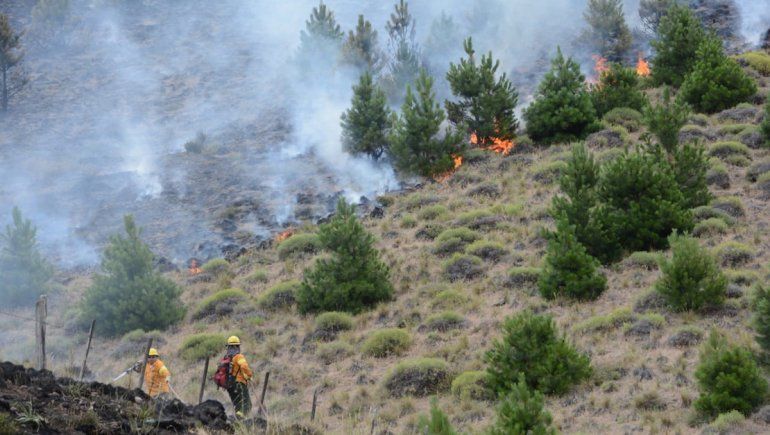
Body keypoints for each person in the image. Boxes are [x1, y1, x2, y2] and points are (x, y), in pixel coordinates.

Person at [225, 335, 253, 417]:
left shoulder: (227, 358)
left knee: (238, 406)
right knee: (247, 405)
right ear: (236, 346)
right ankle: (240, 420)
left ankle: (237, 421)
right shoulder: (238, 356)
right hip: (239, 384)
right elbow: (244, 366)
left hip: (230, 386)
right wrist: (249, 375)